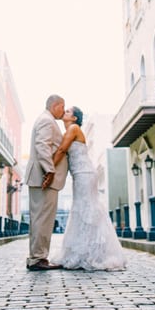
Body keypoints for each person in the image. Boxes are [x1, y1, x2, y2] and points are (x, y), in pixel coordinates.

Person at [51, 106, 127, 271]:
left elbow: (62, 150)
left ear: (75, 118)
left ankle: (92, 254)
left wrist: (49, 168)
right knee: (81, 209)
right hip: (80, 174)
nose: (65, 112)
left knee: (87, 209)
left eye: (69, 111)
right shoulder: (69, 130)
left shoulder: (74, 128)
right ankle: (84, 251)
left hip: (85, 173)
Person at [24, 95, 68, 271]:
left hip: (40, 177)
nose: (63, 111)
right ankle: (38, 258)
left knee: (39, 219)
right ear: (55, 105)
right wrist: (49, 170)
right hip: (43, 178)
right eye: (62, 107)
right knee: (43, 220)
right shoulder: (47, 121)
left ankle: (37, 257)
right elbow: (42, 145)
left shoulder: (45, 119)